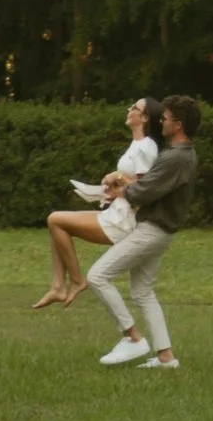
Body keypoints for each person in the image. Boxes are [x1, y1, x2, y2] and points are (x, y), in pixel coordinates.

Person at [85, 94, 199, 370]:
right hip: (161, 231)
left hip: (151, 230)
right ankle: (166, 357)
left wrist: (121, 190)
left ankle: (132, 338)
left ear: (179, 124)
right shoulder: (180, 155)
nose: (162, 120)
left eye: (167, 118)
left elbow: (145, 192)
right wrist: (125, 186)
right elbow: (148, 186)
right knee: (142, 292)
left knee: (98, 276)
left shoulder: (175, 158)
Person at [33, 98, 158, 305]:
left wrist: (116, 179)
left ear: (144, 118)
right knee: (55, 225)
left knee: (55, 220)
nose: (129, 109)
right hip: (115, 212)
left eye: (134, 108)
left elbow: (144, 187)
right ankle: (57, 287)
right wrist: (112, 184)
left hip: (123, 222)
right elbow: (131, 177)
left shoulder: (147, 146)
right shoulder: (137, 144)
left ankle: (76, 281)